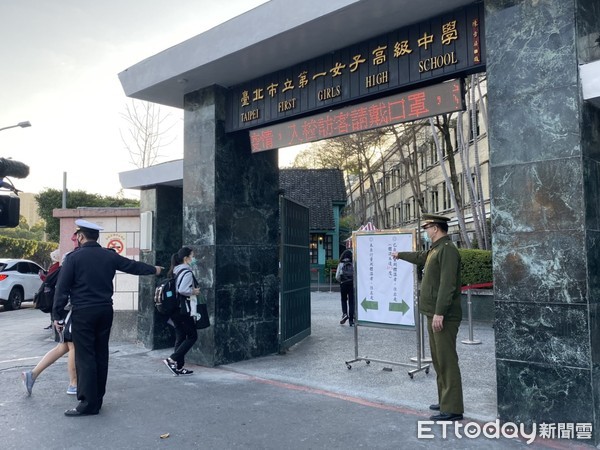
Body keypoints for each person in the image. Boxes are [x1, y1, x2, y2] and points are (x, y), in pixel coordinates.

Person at [53, 219, 162, 417]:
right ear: (96, 237)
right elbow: (133, 266)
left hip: (83, 312)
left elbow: (62, 288)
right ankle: (97, 399)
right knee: (101, 354)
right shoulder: (108, 256)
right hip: (105, 310)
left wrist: (57, 315)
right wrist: (154, 269)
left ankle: (87, 404)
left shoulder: (74, 258)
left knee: (85, 356)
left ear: (80, 236)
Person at [391, 213, 464, 422]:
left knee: (447, 360)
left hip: (443, 316)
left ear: (436, 228)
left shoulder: (448, 251)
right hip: (433, 313)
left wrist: (439, 312)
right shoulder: (436, 249)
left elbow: (447, 285)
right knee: (439, 360)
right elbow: (419, 257)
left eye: (427, 227)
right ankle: (444, 401)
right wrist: (399, 254)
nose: (425, 231)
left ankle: (453, 408)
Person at [22, 250, 78, 396]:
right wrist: (57, 318)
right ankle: (73, 383)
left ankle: (32, 375)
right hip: (67, 314)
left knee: (62, 347)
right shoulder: (65, 273)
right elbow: (61, 296)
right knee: (73, 346)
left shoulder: (60, 271)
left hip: (63, 313)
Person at [163, 247, 200, 376]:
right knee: (192, 336)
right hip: (183, 310)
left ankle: (178, 367)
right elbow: (183, 289)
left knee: (180, 336)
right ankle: (172, 359)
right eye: (192, 256)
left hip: (174, 309)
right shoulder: (187, 271)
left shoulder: (175, 270)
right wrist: (193, 291)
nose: (194, 259)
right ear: (186, 258)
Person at [335, 249, 355, 326]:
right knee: (351, 302)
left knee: (343, 300)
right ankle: (351, 321)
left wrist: (341, 281)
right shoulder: (353, 263)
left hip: (343, 284)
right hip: (351, 284)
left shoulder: (341, 264)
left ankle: (345, 314)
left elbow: (337, 276)